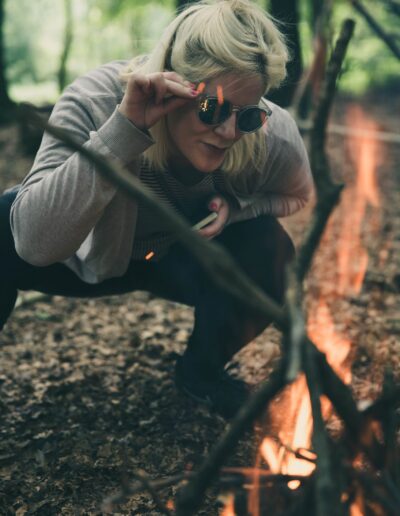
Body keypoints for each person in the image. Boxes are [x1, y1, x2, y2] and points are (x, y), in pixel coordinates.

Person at [0, 0, 313, 418]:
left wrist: (236, 210)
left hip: (178, 260)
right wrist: (124, 128)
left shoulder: (270, 132)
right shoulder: (96, 98)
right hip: (78, 250)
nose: (228, 132)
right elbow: (34, 244)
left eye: (248, 116)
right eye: (212, 108)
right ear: (176, 85)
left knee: (271, 248)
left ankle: (201, 374)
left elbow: (299, 194)